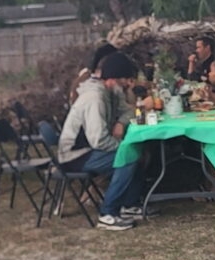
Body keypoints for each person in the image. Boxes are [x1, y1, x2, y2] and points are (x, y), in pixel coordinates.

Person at [57, 52, 147, 231]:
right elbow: (99, 140)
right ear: (113, 78)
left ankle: (129, 206)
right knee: (128, 156)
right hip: (76, 155)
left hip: (89, 149)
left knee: (138, 152)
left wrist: (121, 122)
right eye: (125, 80)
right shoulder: (95, 98)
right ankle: (108, 214)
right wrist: (123, 147)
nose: (129, 85)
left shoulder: (112, 91)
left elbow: (129, 111)